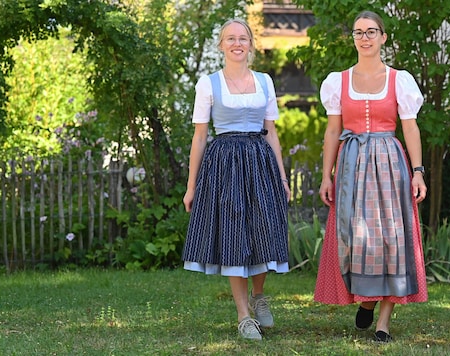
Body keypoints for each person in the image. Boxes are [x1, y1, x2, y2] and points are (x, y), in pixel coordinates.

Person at [314, 10, 428, 343]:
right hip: (351, 165)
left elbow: (410, 126)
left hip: (390, 164)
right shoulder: (339, 80)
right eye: (358, 32)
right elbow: (333, 129)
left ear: (383, 37)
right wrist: (326, 175)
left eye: (371, 31)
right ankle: (365, 300)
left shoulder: (399, 80)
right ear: (353, 38)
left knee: (392, 238)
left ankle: (384, 322)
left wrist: (418, 172)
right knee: (356, 237)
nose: (364, 38)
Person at [182, 18, 290, 341]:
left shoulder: (265, 82)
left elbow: (272, 134)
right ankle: (243, 315)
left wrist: (282, 179)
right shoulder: (208, 84)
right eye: (230, 38)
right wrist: (191, 186)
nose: (237, 43)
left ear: (251, 44)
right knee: (233, 235)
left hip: (259, 162)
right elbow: (199, 138)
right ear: (221, 45)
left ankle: (259, 296)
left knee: (261, 232)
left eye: (242, 38)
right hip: (225, 165)